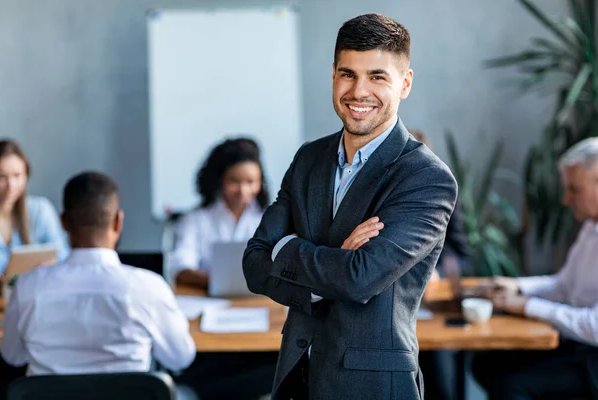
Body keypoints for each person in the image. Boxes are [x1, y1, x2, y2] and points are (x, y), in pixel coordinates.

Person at [243, 13, 458, 400]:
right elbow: (255, 264)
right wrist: (334, 260)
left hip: (371, 386)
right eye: (348, 74)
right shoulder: (309, 159)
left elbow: (359, 279)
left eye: (378, 76)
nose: (359, 91)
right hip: (294, 378)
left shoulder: (426, 178)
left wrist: (288, 250)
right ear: (333, 74)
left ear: (405, 83)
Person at [0, 172, 195, 394]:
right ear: (118, 221)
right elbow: (180, 358)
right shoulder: (148, 287)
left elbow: (13, 356)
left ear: (63, 221)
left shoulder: (27, 286)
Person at [472, 137, 598, 399]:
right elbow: (564, 286)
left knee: (510, 387)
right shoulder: (591, 228)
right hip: (576, 345)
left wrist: (525, 305)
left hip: (592, 358)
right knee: (485, 364)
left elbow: (594, 327)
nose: (565, 199)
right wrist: (516, 286)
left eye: (574, 189)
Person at [411, 129, 469, 400]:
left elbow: (460, 252)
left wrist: (438, 270)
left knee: (440, 374)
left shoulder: (446, 192)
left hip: (432, 305)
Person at [169, 137, 269, 288]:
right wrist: (221, 282)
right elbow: (180, 268)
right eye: (234, 181)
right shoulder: (195, 219)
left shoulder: (269, 217)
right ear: (219, 180)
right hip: (207, 300)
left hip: (261, 302)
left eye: (251, 182)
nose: (243, 191)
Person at [0, 139, 68, 276]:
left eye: (17, 176)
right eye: (1, 177)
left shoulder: (40, 210)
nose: (10, 185)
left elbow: (63, 255)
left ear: (26, 176)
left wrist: (50, 264)